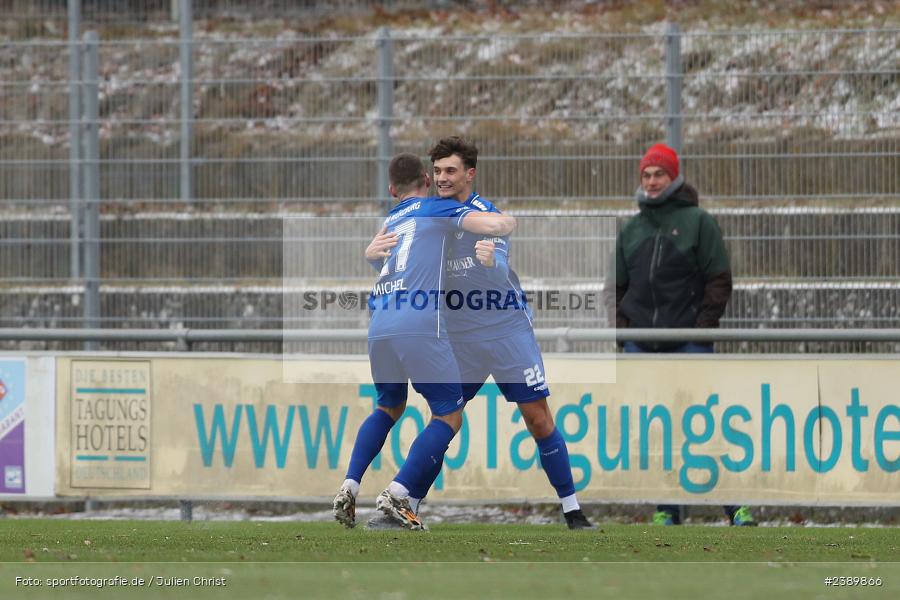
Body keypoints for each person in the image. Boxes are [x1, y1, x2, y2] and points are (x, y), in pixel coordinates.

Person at [350, 137, 595, 531]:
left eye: (451, 170)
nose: (443, 178)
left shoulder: (482, 214)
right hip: (460, 336)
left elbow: (500, 264)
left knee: (537, 419)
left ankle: (572, 510)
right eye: (438, 171)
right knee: (445, 416)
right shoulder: (428, 215)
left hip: (505, 331)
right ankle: (403, 503)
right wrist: (372, 256)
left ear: (470, 173)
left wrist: (493, 260)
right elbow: (402, 272)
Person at [333, 152, 516, 530]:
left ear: (391, 189)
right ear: (427, 181)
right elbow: (489, 223)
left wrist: (367, 255)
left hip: (379, 320)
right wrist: (506, 221)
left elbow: (395, 261)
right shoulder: (435, 209)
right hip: (417, 320)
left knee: (388, 407)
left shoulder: (391, 220)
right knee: (448, 413)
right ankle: (400, 493)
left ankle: (350, 484)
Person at [607, 142, 756, 527]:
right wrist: (625, 334)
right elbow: (616, 289)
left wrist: (700, 329)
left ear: (673, 178)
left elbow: (719, 280)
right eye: (646, 174)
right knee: (657, 429)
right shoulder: (631, 229)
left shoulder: (698, 222)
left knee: (705, 423)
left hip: (689, 342)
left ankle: (735, 506)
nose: (652, 181)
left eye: (659, 174)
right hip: (642, 346)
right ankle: (666, 508)